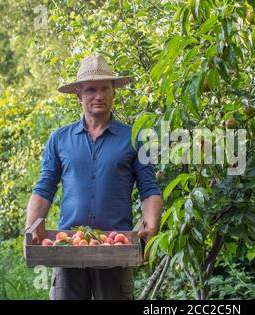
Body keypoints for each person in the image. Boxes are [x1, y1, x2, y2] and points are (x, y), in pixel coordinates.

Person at [24, 54, 163, 300]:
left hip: (115, 247)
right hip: (67, 247)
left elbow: (149, 189)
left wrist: (151, 227)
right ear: (79, 94)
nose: (98, 95)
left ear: (113, 92)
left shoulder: (134, 138)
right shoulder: (60, 139)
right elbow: (45, 188)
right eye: (90, 90)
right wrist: (31, 227)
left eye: (104, 88)